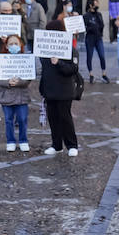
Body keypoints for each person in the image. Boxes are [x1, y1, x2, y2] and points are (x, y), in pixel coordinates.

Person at [39, 19, 80, 156]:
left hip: (64, 90)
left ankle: (72, 144)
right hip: (49, 89)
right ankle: (56, 145)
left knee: (65, 117)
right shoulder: (44, 49)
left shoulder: (70, 49)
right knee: (53, 118)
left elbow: (73, 69)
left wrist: (59, 63)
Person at [0, 34, 32, 152]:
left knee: (22, 119)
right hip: (6, 95)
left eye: (16, 43)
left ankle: (23, 140)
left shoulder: (25, 59)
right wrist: (7, 82)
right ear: (6, 46)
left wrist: (20, 82)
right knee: (8, 119)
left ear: (20, 45)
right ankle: (10, 141)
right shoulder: (1, 60)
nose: (13, 46)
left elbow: (29, 77)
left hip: (21, 95)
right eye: (10, 44)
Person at [84, 0, 109, 82]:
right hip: (90, 38)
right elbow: (85, 27)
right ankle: (91, 74)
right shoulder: (86, 15)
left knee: (102, 55)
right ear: (91, 5)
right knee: (89, 56)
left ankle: (104, 74)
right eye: (95, 4)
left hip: (98, 38)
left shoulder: (99, 14)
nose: (97, 5)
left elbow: (102, 25)